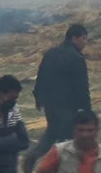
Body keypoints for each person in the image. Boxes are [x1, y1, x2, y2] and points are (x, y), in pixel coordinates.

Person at [32, 23, 93, 154]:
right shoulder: (77, 58)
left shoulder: (51, 53)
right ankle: (60, 165)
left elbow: (41, 77)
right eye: (83, 38)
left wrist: (38, 98)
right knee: (68, 140)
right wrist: (87, 109)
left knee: (53, 133)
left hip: (50, 104)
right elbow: (81, 87)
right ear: (74, 39)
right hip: (67, 106)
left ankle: (32, 158)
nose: (85, 42)